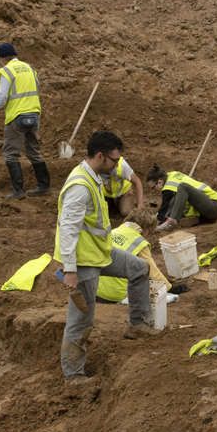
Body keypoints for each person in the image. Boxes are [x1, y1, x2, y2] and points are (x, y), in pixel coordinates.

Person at [57, 130, 154, 378]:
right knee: (82, 320)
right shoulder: (79, 186)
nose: (116, 165)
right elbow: (68, 229)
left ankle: (138, 325)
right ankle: (74, 375)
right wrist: (70, 270)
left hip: (100, 251)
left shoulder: (93, 177)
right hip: (83, 261)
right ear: (100, 156)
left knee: (139, 268)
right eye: (113, 160)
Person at [0, 42, 51, 198]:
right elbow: (37, 85)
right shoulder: (29, 68)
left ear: (2, 58)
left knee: (11, 154)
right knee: (34, 152)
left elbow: (2, 96)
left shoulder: (7, 71)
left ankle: (18, 191)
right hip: (34, 114)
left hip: (17, 116)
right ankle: (44, 186)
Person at [155, 165, 217, 230]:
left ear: (160, 182)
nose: (154, 189)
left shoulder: (168, 188)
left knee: (183, 186)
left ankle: (172, 221)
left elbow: (164, 208)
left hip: (213, 207)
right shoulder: (172, 174)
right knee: (176, 200)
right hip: (204, 213)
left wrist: (160, 220)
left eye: (153, 187)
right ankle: (181, 219)